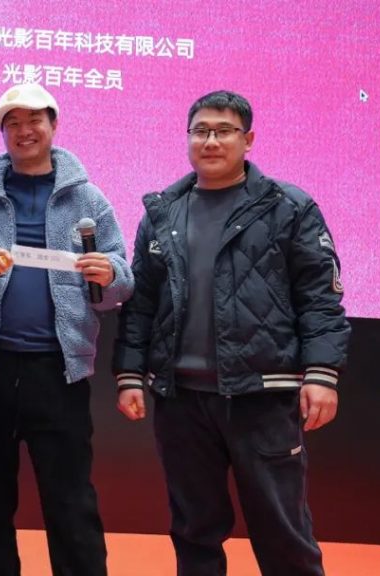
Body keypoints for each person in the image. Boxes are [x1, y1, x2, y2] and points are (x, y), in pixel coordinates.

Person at [113, 90, 351, 576]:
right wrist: (129, 374)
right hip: (181, 401)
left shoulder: (289, 207)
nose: (211, 141)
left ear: (249, 140)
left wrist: (322, 373)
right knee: (193, 530)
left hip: (261, 396)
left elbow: (319, 298)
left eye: (224, 131)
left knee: (283, 530)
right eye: (201, 131)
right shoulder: (163, 211)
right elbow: (142, 303)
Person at [0, 82, 133, 576]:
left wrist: (109, 275)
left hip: (59, 371)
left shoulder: (88, 198)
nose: (24, 130)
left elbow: (122, 278)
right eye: (12, 123)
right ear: (2, 133)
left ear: (54, 125)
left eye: (34, 120)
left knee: (71, 501)